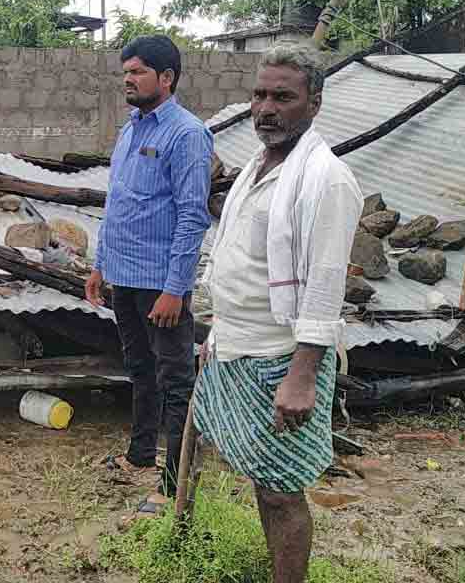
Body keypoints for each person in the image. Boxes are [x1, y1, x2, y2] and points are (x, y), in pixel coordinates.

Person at [193, 44, 362, 583]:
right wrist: (217, 331)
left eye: (282, 97)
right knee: (263, 481)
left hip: (278, 358)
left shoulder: (325, 179)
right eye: (259, 94)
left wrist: (302, 376)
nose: (265, 108)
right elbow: (237, 258)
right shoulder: (259, 165)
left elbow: (325, 284)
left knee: (281, 490)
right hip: (236, 345)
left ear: (314, 103)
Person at [84, 34, 213, 519]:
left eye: (137, 72)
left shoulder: (187, 134)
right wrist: (100, 265)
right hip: (124, 277)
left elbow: (191, 216)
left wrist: (176, 288)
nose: (128, 81)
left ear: (167, 77)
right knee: (139, 371)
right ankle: (140, 452)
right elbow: (117, 202)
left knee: (175, 381)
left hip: (161, 286)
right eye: (125, 73)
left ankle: (171, 485)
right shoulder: (131, 129)